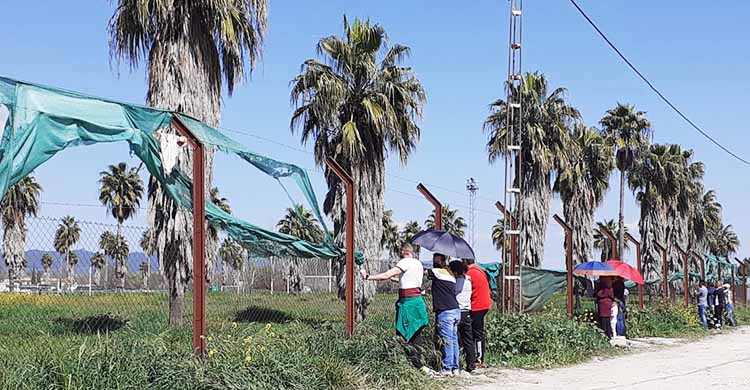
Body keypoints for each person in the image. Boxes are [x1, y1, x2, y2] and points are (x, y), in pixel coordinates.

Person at [360, 244, 432, 374]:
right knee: (416, 335)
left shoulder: (405, 262)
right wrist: (395, 279)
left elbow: (386, 275)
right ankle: (419, 365)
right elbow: (405, 280)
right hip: (417, 302)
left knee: (402, 335)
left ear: (403, 253)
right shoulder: (418, 264)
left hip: (408, 304)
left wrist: (367, 277)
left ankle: (406, 364)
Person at [427, 253, 461, 377]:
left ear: (440, 260)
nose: (433, 260)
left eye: (435, 258)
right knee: (453, 340)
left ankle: (447, 368)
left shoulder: (437, 271)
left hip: (445, 311)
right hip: (455, 310)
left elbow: (425, 272)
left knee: (447, 341)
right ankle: (455, 367)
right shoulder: (450, 275)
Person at [464, 258, 492, 368]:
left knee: (477, 333)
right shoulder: (479, 270)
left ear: (465, 262)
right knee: (476, 332)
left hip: (477, 305)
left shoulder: (470, 274)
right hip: (484, 304)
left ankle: (479, 359)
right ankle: (477, 357)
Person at [451, 259, 475, 374]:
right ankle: (471, 364)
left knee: (454, 339)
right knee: (468, 340)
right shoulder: (468, 280)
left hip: (458, 311)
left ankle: (455, 363)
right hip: (467, 312)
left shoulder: (455, 283)